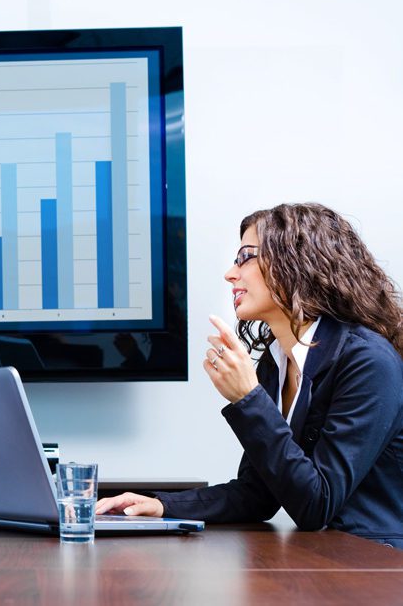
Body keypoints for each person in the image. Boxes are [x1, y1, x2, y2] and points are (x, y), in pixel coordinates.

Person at [96, 203, 403, 547]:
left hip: (375, 568)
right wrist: (163, 505)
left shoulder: (367, 362)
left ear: (298, 262)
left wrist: (248, 398)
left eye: (245, 257)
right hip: (321, 561)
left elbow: (317, 504)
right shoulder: (277, 362)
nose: (230, 273)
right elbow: (259, 493)